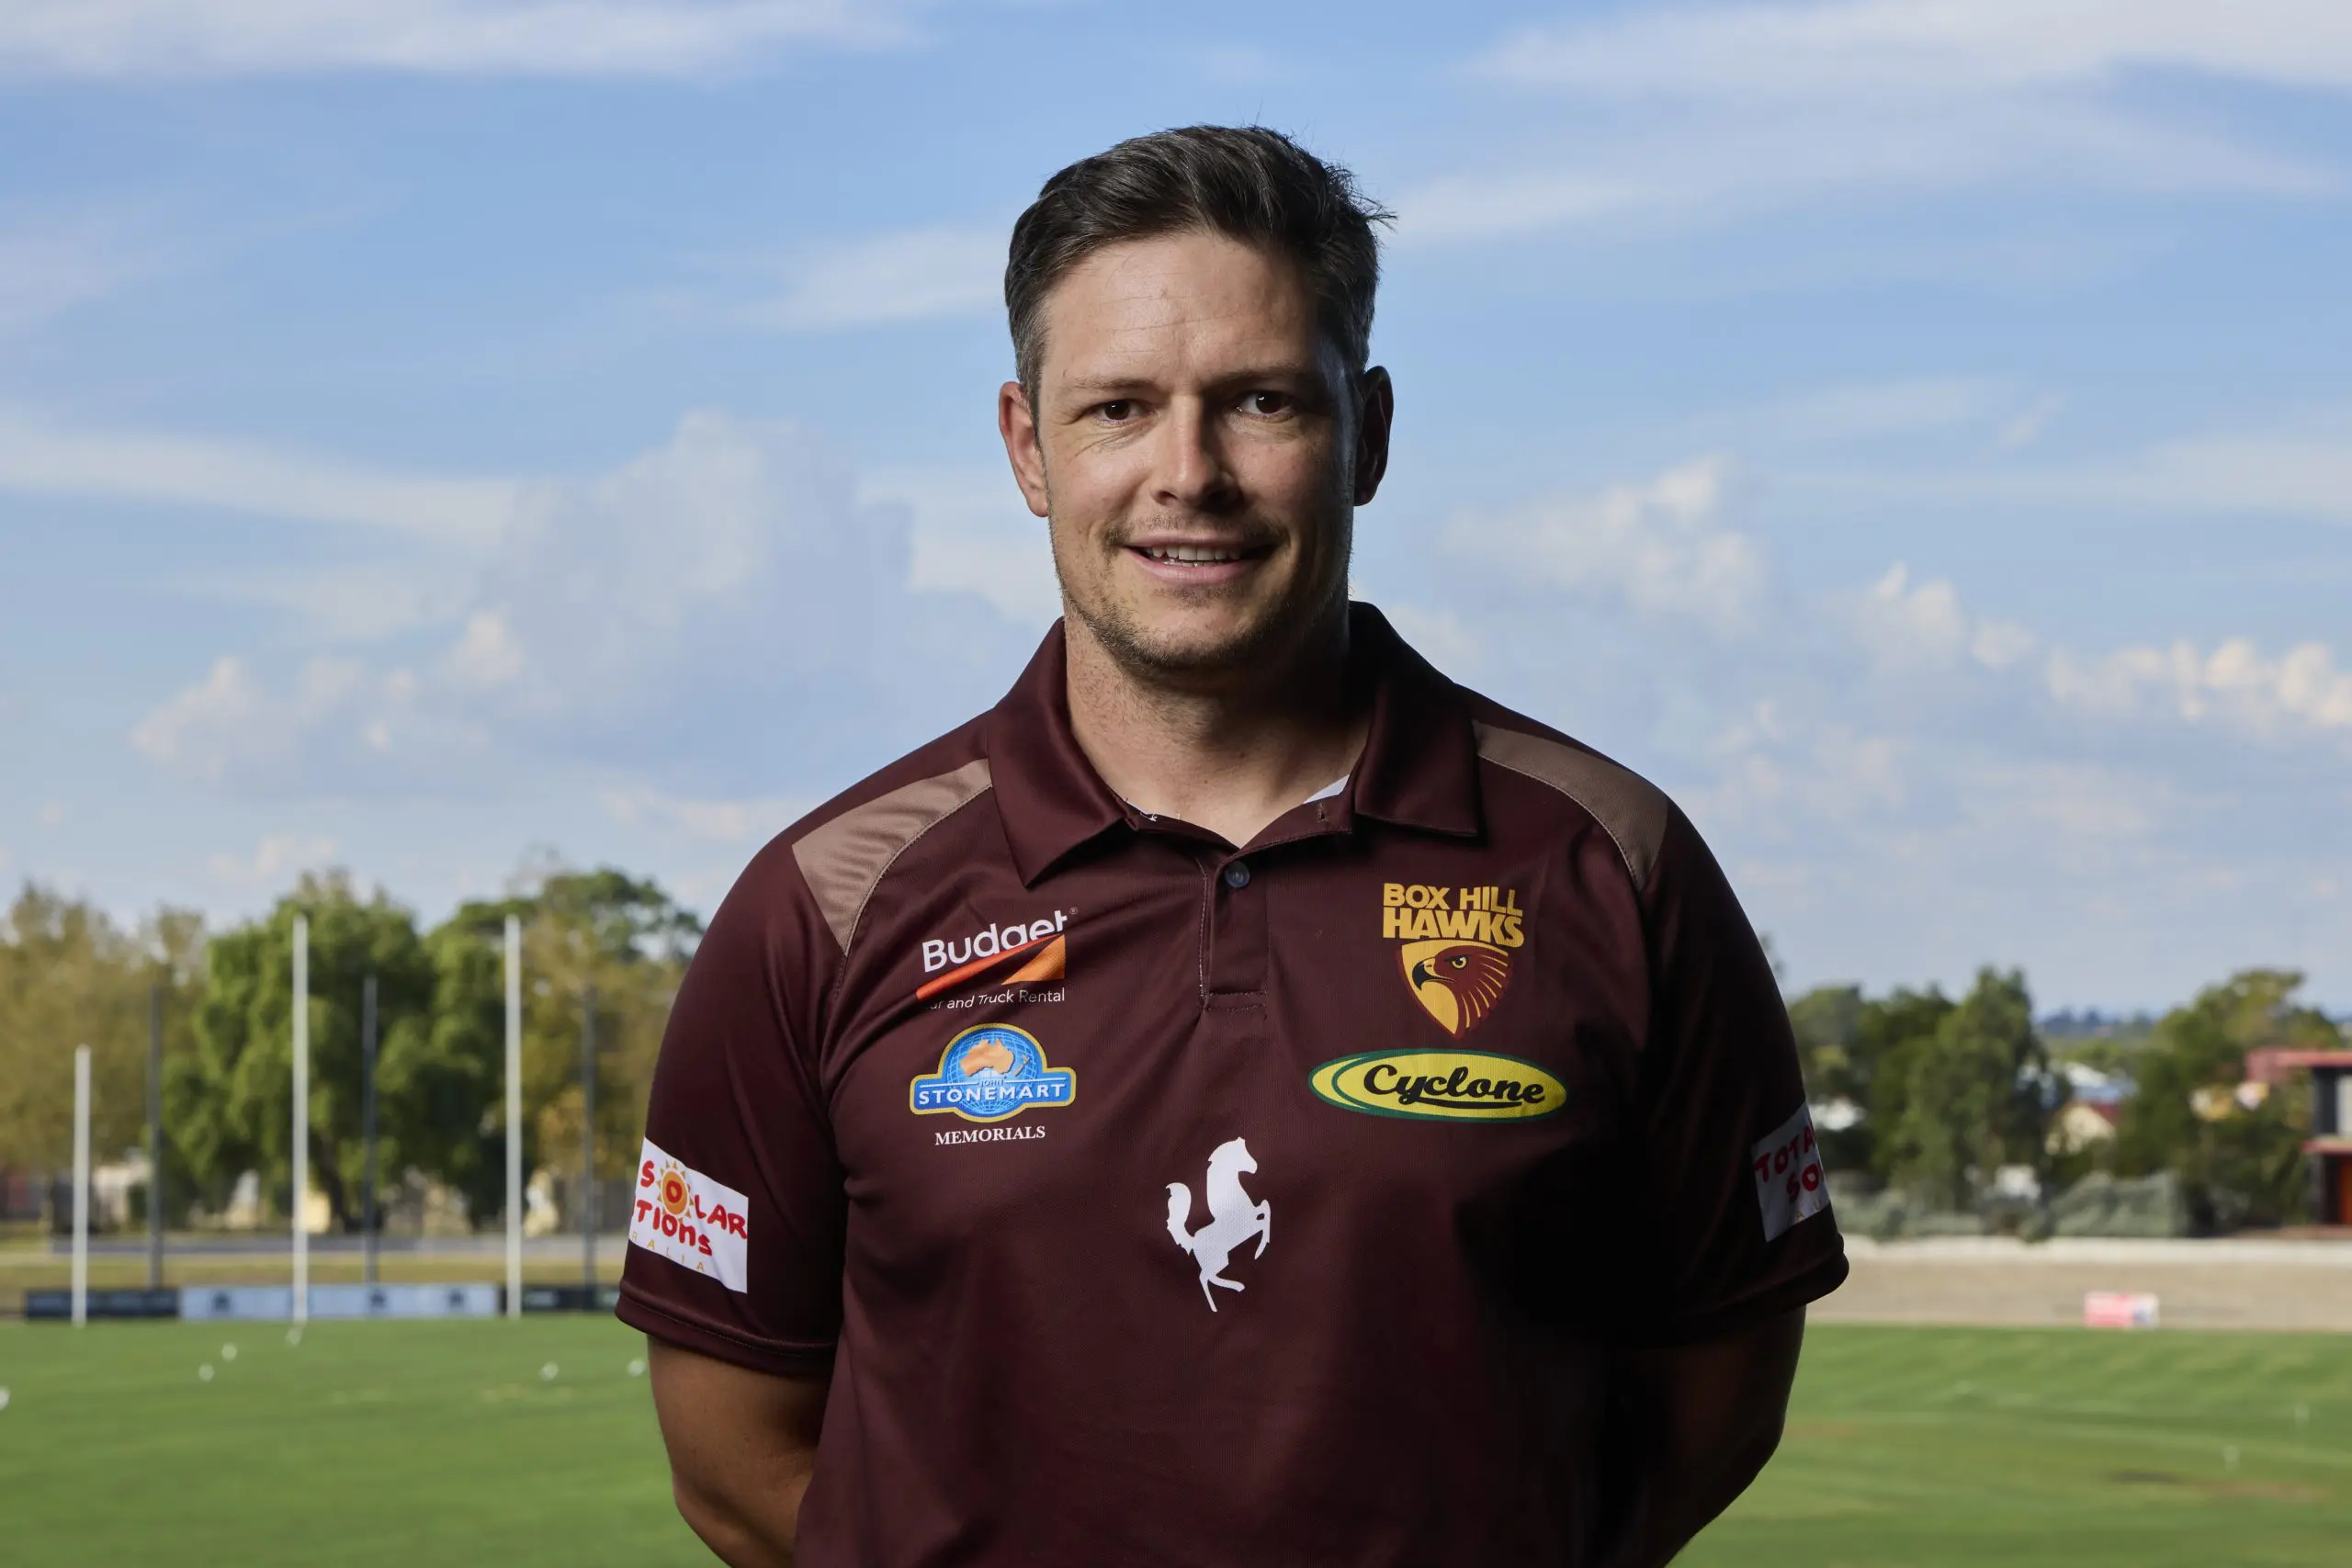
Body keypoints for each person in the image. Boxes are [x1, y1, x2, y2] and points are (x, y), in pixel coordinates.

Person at [617, 125, 1847, 1568]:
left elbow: (1719, 1391)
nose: (1186, 474)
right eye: (1118, 409)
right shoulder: (822, 905)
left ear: (1369, 431)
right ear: (1027, 445)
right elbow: (733, 1456)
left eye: (1260, 401)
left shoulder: (1612, 864)